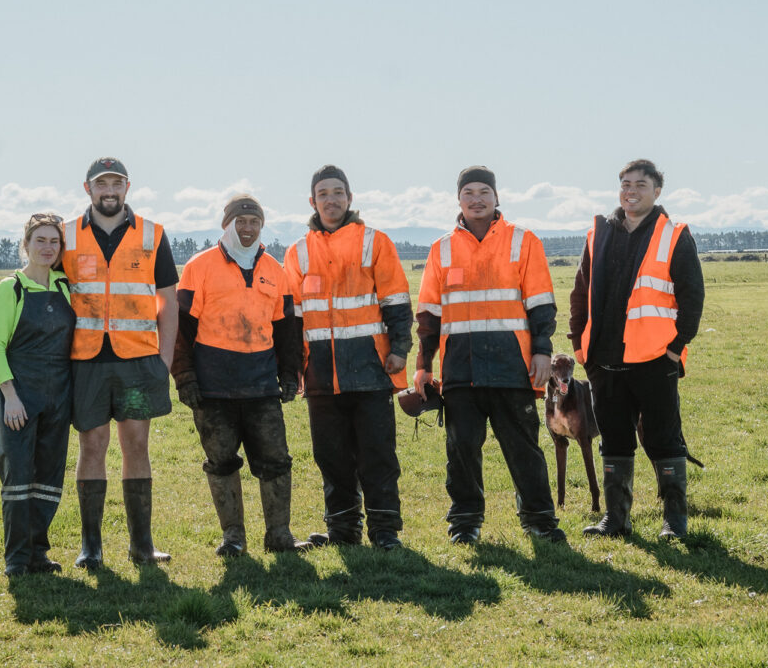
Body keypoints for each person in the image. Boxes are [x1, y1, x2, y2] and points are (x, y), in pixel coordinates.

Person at [413, 166, 565, 545]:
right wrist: (423, 366)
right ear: (458, 199)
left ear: (497, 197)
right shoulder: (441, 249)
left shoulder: (523, 241)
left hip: (513, 367)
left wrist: (542, 352)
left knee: (523, 448)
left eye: (484, 191)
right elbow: (429, 315)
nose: (476, 199)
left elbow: (541, 304)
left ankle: (539, 520)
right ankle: (465, 523)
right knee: (461, 449)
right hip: (459, 370)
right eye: (468, 192)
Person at [569, 158, 704, 540]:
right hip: (604, 360)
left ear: (657, 191)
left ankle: (674, 521)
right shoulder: (598, 233)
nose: (631, 191)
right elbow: (580, 292)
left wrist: (676, 347)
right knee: (614, 439)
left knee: (664, 439)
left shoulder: (673, 235)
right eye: (625, 184)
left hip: (655, 359)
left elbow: (692, 296)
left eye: (640, 185)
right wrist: (580, 346)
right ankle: (616, 520)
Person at [172, 194, 311, 555]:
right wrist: (184, 376)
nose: (248, 228)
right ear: (227, 225)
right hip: (212, 388)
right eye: (241, 222)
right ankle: (233, 538)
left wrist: (289, 373)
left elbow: (287, 329)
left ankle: (279, 535)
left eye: (254, 222)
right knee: (221, 463)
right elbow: (181, 328)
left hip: (261, 386)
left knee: (276, 461)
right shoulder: (199, 267)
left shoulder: (275, 271)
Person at [283, 165, 412, 550]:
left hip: (371, 370)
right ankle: (343, 530)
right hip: (321, 375)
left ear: (350, 198)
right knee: (331, 457)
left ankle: (385, 531)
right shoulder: (298, 252)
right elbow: (292, 318)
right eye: (323, 194)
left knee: (377, 455)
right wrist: (293, 367)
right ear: (312, 201)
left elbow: (396, 302)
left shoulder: (375, 242)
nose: (331, 200)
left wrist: (400, 349)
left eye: (338, 192)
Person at [63, 158, 178, 568]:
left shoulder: (152, 234)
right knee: (92, 446)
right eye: (101, 184)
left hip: (138, 362)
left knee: (137, 445)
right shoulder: (66, 235)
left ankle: (141, 546)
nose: (109, 190)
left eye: (116, 183)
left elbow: (168, 302)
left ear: (127, 187)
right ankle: (90, 547)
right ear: (88, 188)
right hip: (86, 361)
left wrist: (164, 361)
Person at [0, 212, 76, 576]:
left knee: (48, 477)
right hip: (20, 398)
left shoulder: (65, 287)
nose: (47, 248)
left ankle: (38, 552)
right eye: (40, 240)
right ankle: (17, 558)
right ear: (26, 245)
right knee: (18, 476)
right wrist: (10, 396)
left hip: (59, 397)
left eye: (54, 241)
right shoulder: (12, 289)